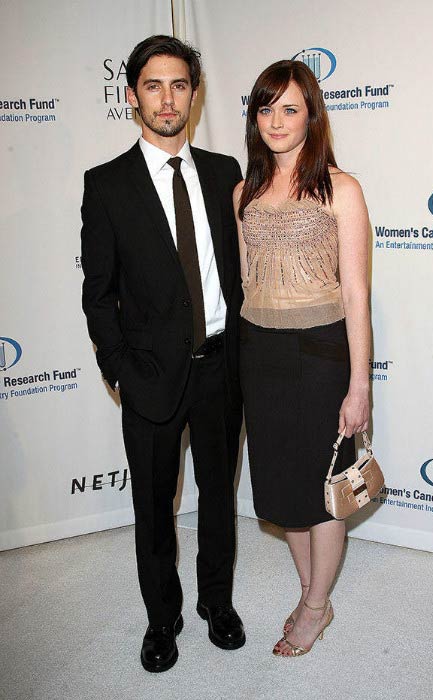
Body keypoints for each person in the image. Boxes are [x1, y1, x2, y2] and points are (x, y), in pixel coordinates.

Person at [81, 35, 245, 673]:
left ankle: (217, 602)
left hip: (221, 368)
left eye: (179, 85)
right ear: (132, 96)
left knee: (218, 496)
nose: (167, 98)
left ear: (194, 95)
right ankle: (162, 618)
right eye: (153, 85)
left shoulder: (225, 171)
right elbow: (98, 295)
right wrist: (117, 367)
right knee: (153, 507)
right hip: (147, 376)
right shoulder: (107, 185)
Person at [233, 59, 370, 657]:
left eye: (290, 108)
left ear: (312, 116)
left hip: (322, 355)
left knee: (321, 487)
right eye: (265, 108)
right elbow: (244, 284)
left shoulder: (341, 189)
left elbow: (358, 294)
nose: (276, 120)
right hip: (259, 353)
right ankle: (315, 591)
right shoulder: (243, 192)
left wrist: (358, 384)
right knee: (281, 488)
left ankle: (315, 607)